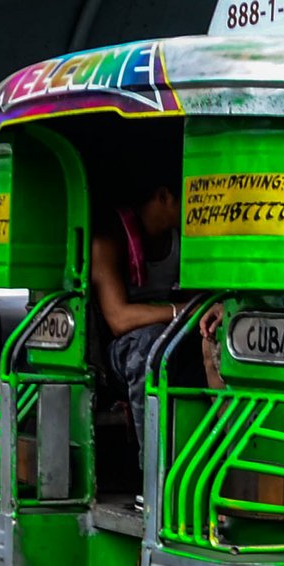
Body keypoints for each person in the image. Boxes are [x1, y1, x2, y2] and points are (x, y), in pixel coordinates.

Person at [90, 180, 183, 436]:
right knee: (150, 342)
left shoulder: (181, 240)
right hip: (120, 354)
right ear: (163, 195)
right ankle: (152, 464)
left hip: (169, 340)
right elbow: (119, 318)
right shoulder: (108, 242)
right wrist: (183, 311)